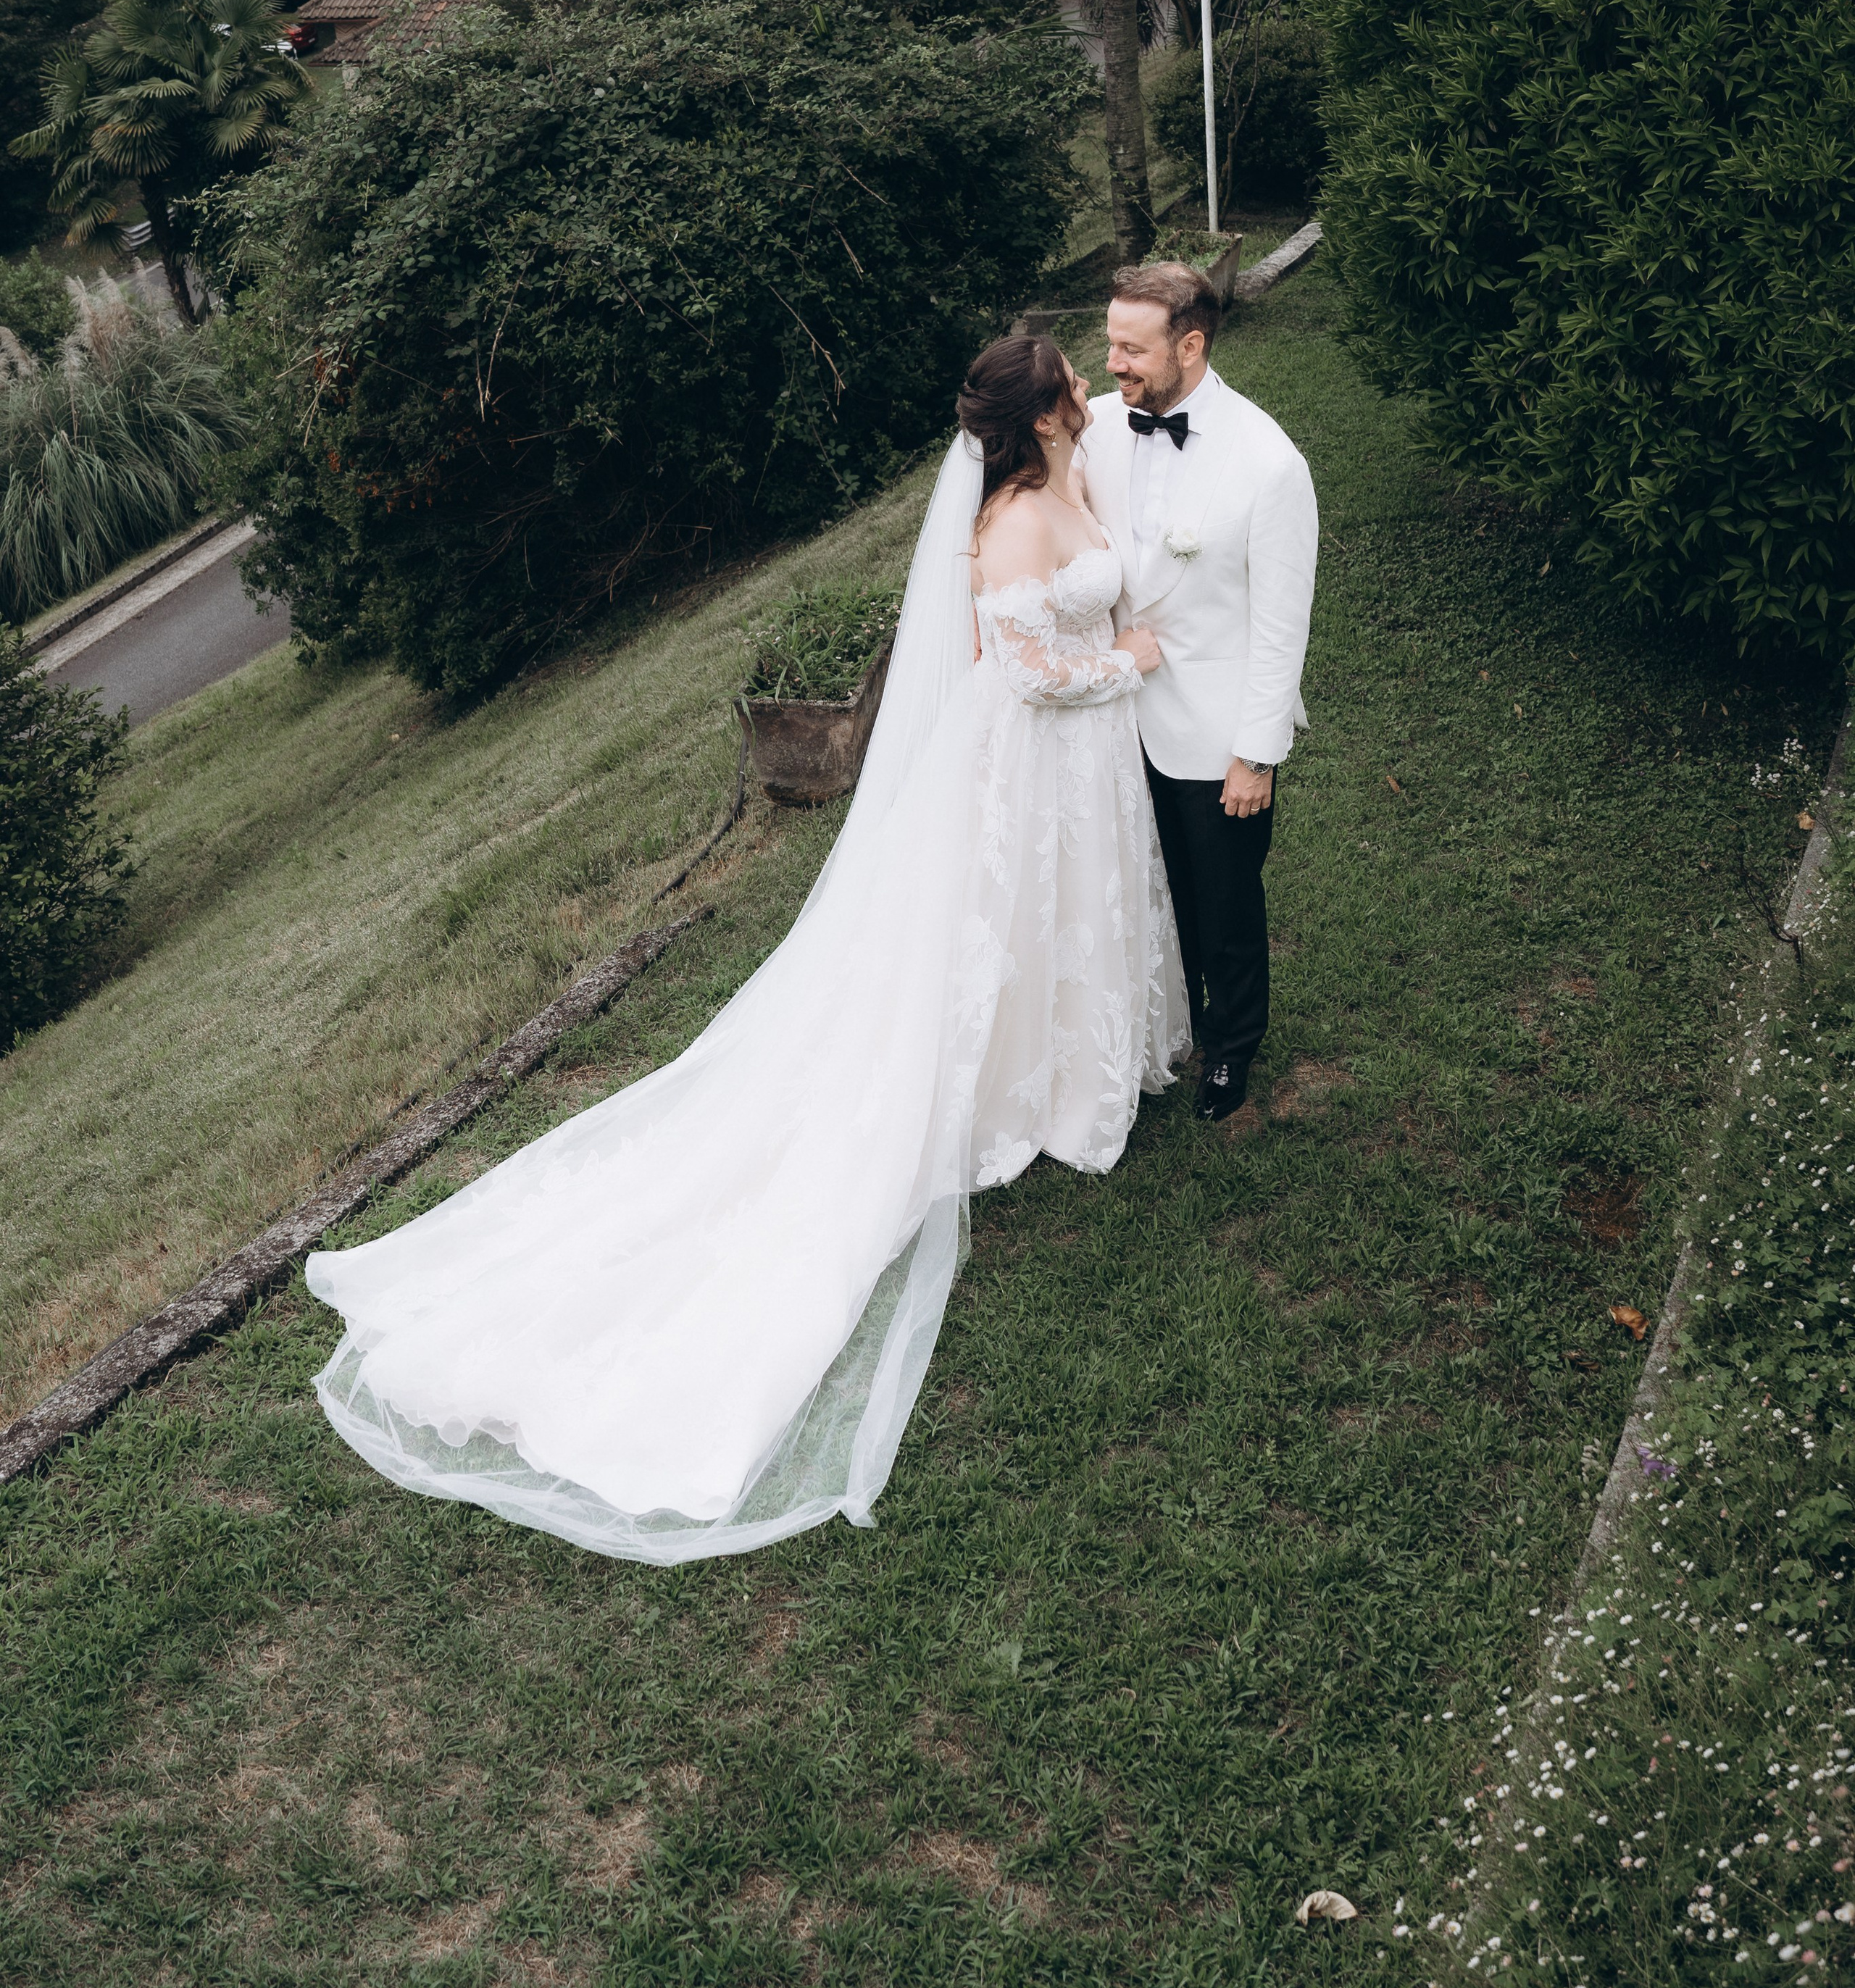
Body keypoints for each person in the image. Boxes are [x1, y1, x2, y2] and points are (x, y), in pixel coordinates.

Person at [307, 335, 1187, 1565]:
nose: (1090, 394)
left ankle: (1067, 1062)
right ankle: (1014, 1085)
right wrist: (1127, 661)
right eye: (1073, 388)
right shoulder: (1004, 528)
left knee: (1060, 927)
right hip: (1035, 757)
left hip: (1076, 766)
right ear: (1038, 417)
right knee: (1005, 932)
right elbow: (1027, 670)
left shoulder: (1072, 480)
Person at [1081, 262, 1319, 1122]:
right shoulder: (1098, 428)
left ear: (1191, 345)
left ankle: (1233, 1046)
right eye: (1109, 342)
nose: (1112, 363)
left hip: (1216, 733)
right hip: (1112, 718)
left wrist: (1255, 753)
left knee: (1223, 901)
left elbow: (1281, 627)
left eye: (1130, 348)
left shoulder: (1269, 463)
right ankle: (1168, 1023)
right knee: (1149, 886)